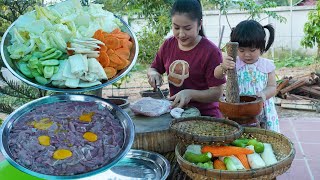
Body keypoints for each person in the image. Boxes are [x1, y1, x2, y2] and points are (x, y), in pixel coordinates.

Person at [147, 0, 226, 117]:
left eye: (187, 28)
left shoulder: (211, 52)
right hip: (176, 113)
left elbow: (217, 93)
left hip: (206, 117)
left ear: (199, 24)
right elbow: (154, 68)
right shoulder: (168, 45)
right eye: (176, 28)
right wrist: (153, 74)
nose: (181, 34)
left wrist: (190, 94)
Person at [214, 20, 280, 132]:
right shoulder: (234, 63)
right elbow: (216, 75)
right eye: (241, 50)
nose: (247, 54)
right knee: (238, 134)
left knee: (264, 136)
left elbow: (272, 87)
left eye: (252, 50)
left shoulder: (267, 65)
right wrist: (223, 66)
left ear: (261, 46)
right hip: (237, 108)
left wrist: (264, 94)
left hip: (261, 108)